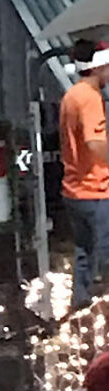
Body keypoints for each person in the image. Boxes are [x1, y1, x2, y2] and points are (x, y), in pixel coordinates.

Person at [60, 39, 109, 309]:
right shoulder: (90, 98)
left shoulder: (72, 95)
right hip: (96, 190)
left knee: (85, 255)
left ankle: (84, 311)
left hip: (74, 189)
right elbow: (94, 143)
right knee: (102, 259)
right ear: (98, 66)